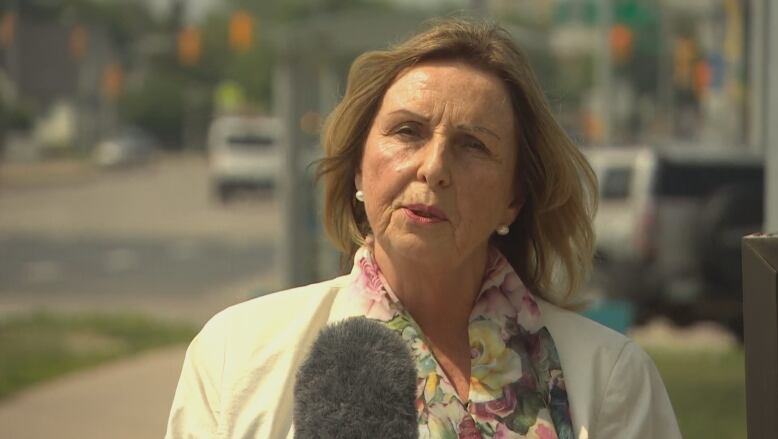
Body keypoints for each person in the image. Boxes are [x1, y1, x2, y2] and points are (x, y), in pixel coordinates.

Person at [165, 18, 682, 439]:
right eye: (407, 131)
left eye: (473, 145)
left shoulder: (611, 379)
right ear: (358, 169)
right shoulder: (239, 357)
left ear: (513, 199)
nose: (434, 167)